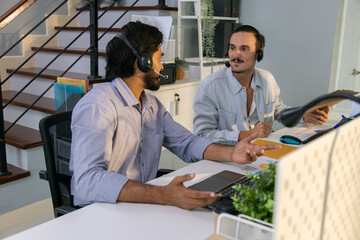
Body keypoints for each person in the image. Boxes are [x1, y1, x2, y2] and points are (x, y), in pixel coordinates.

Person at [69, 21, 280, 210]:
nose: (162, 66)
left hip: (140, 204)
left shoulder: (151, 106)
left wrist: (232, 153)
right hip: (101, 211)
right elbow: (88, 180)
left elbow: (188, 143)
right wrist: (163, 195)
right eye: (160, 58)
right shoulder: (98, 105)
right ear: (143, 63)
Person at [193, 25, 329, 145]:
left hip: (261, 151)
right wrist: (245, 135)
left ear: (258, 54)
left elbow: (278, 110)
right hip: (227, 158)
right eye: (232, 48)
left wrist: (304, 116)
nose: (236, 54)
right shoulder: (211, 86)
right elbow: (202, 134)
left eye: (244, 49)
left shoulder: (267, 79)